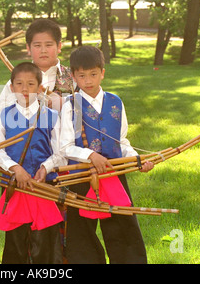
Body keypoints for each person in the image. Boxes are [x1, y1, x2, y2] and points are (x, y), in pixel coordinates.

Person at [60, 46, 154, 264]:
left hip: (114, 172)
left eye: (93, 74)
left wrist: (137, 160)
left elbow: (122, 142)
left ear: (102, 72)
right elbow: (64, 147)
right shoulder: (70, 106)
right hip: (81, 175)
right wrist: (90, 155)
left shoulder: (115, 102)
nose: (88, 80)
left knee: (123, 224)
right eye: (81, 76)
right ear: (73, 76)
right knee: (81, 230)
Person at [0, 62, 67, 264]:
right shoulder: (4, 117)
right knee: (16, 239)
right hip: (15, 186)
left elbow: (62, 152)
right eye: (19, 84)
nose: (24, 89)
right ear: (11, 88)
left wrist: (45, 167)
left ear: (40, 88)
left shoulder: (52, 117)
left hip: (44, 186)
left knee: (45, 239)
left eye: (30, 84)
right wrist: (14, 168)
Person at [0, 18, 75, 114]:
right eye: (37, 45)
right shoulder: (17, 81)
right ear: (28, 48)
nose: (43, 50)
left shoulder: (74, 77)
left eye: (48, 45)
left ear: (59, 46)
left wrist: (65, 103)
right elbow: (1, 111)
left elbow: (90, 108)